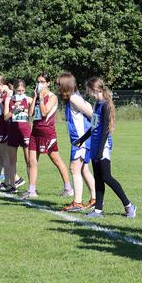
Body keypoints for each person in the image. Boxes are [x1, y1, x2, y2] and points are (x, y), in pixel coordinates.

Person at [83, 77, 136, 218]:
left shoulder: (106, 105)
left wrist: (100, 151)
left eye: (89, 90)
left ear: (95, 89)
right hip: (94, 145)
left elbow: (106, 130)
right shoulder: (97, 104)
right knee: (98, 179)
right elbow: (94, 126)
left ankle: (129, 206)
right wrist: (82, 139)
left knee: (107, 177)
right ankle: (98, 210)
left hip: (103, 145)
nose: (88, 93)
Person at [22, 73, 72, 200]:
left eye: (43, 81)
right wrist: (35, 97)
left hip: (47, 132)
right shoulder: (37, 96)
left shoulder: (52, 97)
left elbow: (44, 112)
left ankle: (68, 188)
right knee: (31, 161)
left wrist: (40, 97)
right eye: (38, 81)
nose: (40, 84)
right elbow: (31, 113)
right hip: (35, 132)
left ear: (48, 83)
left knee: (56, 160)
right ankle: (32, 190)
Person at [57, 72, 98, 213]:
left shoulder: (74, 98)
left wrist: (86, 137)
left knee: (74, 168)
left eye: (59, 85)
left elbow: (93, 115)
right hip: (81, 140)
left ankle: (77, 202)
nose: (58, 88)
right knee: (84, 169)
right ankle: (95, 199)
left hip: (82, 140)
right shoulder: (72, 98)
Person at [5, 79, 31, 191]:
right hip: (13, 131)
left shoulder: (28, 99)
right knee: (12, 160)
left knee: (29, 160)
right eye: (18, 90)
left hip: (25, 131)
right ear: (14, 89)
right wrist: (14, 111)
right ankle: (13, 185)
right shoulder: (9, 100)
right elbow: (5, 117)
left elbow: (32, 113)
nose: (20, 92)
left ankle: (31, 187)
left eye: (22, 90)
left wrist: (26, 111)